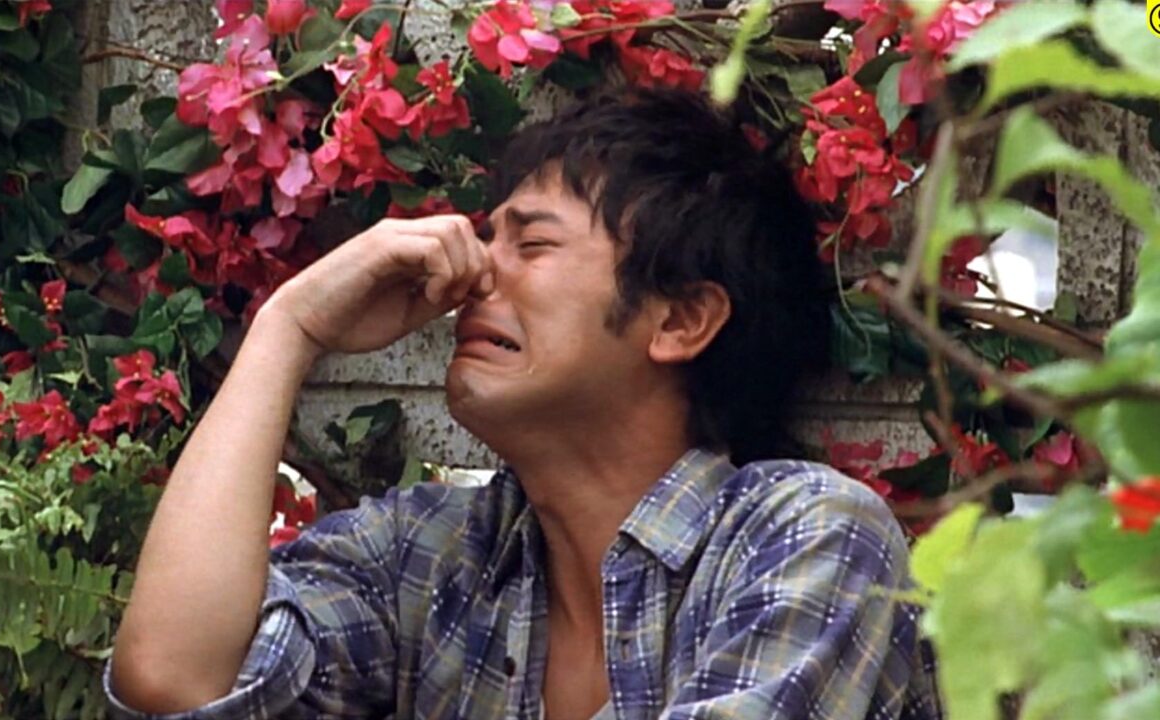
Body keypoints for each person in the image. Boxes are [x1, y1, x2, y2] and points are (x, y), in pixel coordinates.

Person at [105, 89, 941, 720]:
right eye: (486, 237)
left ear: (680, 320)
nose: (472, 273)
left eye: (532, 244)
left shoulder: (806, 537)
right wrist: (289, 327)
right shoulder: (428, 558)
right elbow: (175, 679)